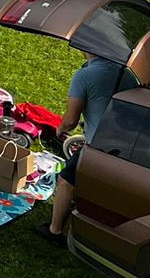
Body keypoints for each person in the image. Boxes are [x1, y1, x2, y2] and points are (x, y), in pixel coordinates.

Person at [43, 52, 138, 242]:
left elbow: (70, 121)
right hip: (132, 146)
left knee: (66, 181)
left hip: (101, 147)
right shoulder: (128, 75)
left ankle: (54, 231)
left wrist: (59, 128)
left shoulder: (85, 76)